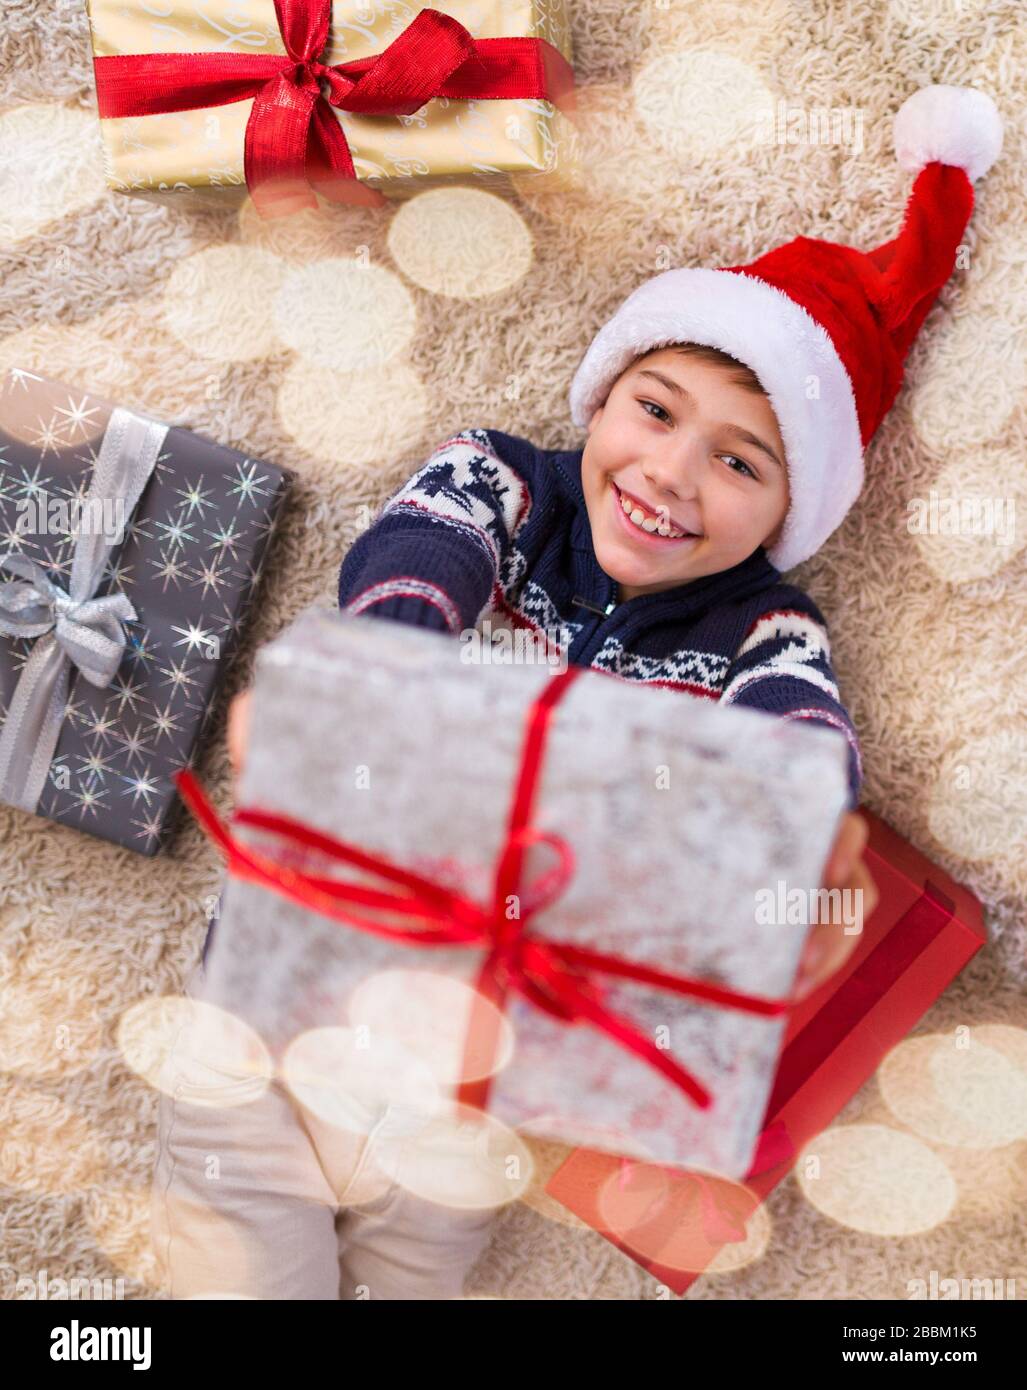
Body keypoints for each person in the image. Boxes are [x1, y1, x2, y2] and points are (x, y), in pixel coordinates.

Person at [158, 83, 1002, 1299]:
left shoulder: (759, 627)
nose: (670, 470)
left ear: (787, 513)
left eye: (738, 461)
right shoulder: (506, 481)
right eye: (653, 410)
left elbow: (804, 755)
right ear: (598, 399)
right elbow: (419, 552)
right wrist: (404, 659)